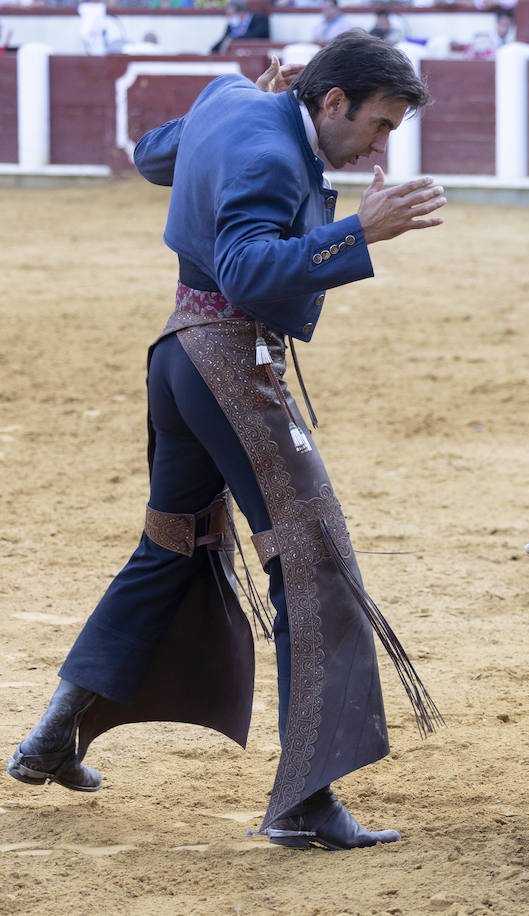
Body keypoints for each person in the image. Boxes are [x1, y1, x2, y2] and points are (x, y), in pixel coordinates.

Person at [6, 34, 445, 852]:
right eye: (378, 125)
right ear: (332, 101)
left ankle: (50, 736)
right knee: (313, 560)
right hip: (229, 367)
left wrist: (243, 104)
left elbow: (152, 157)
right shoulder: (276, 153)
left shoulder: (227, 97)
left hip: (178, 356)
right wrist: (359, 231)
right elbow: (246, 272)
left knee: (172, 549)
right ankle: (305, 804)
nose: (380, 146)